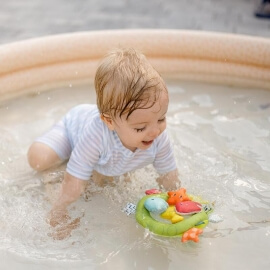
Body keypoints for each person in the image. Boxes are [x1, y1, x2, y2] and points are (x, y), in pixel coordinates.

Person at [27, 48, 181, 234]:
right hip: (71, 130)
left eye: (161, 119)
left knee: (105, 178)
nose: (155, 131)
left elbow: (169, 176)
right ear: (109, 122)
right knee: (38, 159)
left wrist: (179, 202)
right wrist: (59, 211)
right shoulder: (96, 134)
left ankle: (101, 168)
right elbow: (74, 180)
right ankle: (64, 160)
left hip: (105, 149)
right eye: (140, 128)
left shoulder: (157, 135)